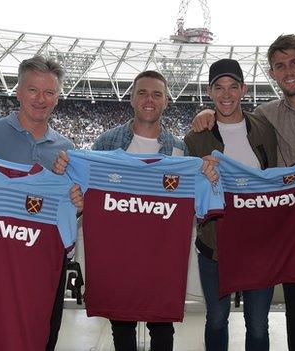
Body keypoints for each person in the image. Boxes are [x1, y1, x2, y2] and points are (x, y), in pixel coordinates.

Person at [191, 34, 295, 351]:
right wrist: (204, 114)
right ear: (272, 73)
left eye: (294, 62)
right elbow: (229, 116)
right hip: (291, 240)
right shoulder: (266, 117)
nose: (288, 71)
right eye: (280, 66)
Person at [55, 70, 217, 351]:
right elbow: (79, 195)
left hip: (160, 259)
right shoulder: (105, 144)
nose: (149, 99)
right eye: (142, 92)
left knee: (163, 329)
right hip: (119, 256)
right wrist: (65, 175)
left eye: (157, 94)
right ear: (131, 98)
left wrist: (207, 176)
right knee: (122, 328)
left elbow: (193, 203)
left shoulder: (180, 150)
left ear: (166, 101)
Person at [0, 55, 82, 351]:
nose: (40, 99)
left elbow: (72, 209)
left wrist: (77, 203)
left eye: (49, 92)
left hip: (43, 266)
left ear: (58, 98)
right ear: (18, 91)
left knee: (43, 336)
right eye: (33, 89)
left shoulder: (67, 150)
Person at [183, 58, 277, 351]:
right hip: (215, 247)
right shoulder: (196, 137)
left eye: (232, 87)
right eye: (219, 88)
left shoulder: (264, 128)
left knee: (259, 324)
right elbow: (188, 192)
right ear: (209, 93)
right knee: (216, 319)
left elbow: (273, 179)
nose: (226, 94)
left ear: (243, 89)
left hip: (259, 247)